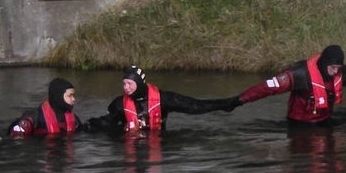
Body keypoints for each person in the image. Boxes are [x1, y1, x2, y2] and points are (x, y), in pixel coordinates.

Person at [231, 45, 346, 126]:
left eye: (338, 68)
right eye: (332, 67)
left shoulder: (341, 73)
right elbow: (266, 88)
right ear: (324, 63)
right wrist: (239, 100)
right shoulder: (299, 74)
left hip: (324, 122)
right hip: (299, 125)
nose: (335, 72)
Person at [86, 65, 239, 133]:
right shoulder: (119, 104)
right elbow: (107, 123)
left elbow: (194, 106)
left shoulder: (164, 99)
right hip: (130, 145)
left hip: (159, 141)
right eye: (124, 84)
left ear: (139, 83)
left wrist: (224, 104)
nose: (126, 88)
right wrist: (88, 125)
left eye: (129, 84)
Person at [8, 77, 83, 136]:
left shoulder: (74, 119)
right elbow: (15, 138)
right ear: (58, 97)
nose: (73, 99)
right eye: (70, 96)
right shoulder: (34, 118)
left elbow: (82, 133)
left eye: (73, 96)